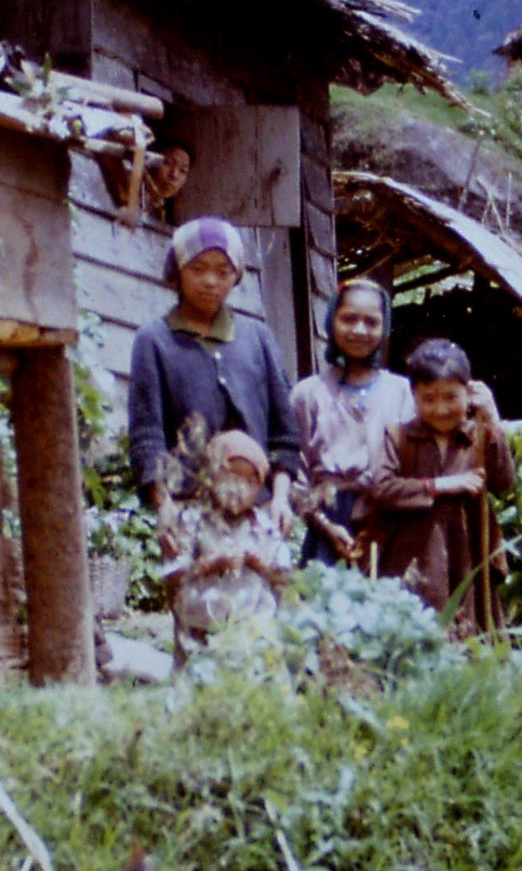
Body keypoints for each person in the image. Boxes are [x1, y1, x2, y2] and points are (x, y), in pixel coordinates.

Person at [127, 216, 301, 538]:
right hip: (188, 515)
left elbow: (284, 434)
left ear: (236, 276)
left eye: (223, 272)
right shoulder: (154, 341)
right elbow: (147, 436)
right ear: (177, 270)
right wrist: (164, 505)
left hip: (257, 512)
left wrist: (279, 499)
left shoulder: (257, 337)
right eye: (198, 268)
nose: (210, 281)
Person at [360, 337, 515, 634]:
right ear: (414, 396)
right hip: (412, 555)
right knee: (415, 626)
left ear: (468, 394)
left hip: (467, 552)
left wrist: (493, 421)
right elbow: (383, 489)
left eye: (451, 398)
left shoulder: (479, 438)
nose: (441, 409)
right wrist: (441, 485)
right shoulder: (400, 438)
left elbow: (503, 482)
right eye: (428, 399)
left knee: (469, 630)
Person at [289, 279, 414, 566]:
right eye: (349, 319)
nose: (359, 330)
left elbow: (412, 467)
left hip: (387, 521)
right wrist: (324, 525)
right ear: (332, 320)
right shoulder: (308, 395)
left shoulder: (403, 393)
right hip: (327, 524)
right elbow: (298, 474)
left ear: (385, 327)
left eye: (371, 322)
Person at [160, 430, 294, 664]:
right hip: (200, 630)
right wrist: (211, 563)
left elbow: (284, 579)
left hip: (252, 633)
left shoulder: (266, 529)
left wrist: (260, 564)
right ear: (211, 477)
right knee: (199, 683)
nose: (239, 488)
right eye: (230, 477)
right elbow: (174, 575)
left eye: (250, 481)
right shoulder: (193, 522)